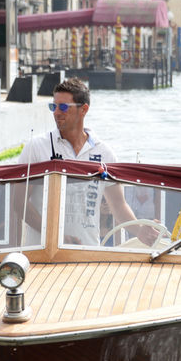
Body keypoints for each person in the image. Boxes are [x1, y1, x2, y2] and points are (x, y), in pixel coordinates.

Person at [18, 77, 160, 246]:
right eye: (53, 107)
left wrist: (139, 230)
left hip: (87, 251)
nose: (56, 112)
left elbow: (118, 205)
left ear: (83, 109)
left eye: (63, 107)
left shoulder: (105, 153)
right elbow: (19, 203)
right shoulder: (36, 147)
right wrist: (54, 235)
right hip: (43, 251)